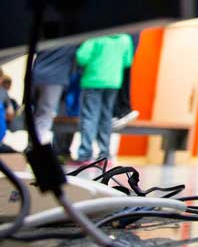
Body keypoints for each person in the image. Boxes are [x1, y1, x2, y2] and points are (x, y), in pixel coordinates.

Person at [74, 34, 134, 162]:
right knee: (106, 117)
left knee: (90, 116)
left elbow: (82, 57)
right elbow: (127, 61)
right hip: (113, 81)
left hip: (93, 80)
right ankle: (104, 155)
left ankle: (84, 154)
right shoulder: (125, 38)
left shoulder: (97, 36)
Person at [27, 42, 78, 148]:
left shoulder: (48, 38)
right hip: (55, 79)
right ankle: (35, 146)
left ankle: (31, 144)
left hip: (35, 75)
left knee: (35, 112)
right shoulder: (72, 42)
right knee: (45, 113)